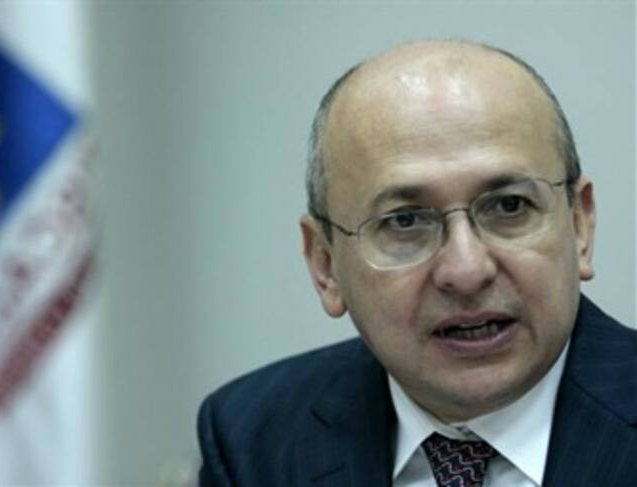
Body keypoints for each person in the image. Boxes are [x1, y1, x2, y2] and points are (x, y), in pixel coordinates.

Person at [198, 40, 637, 486]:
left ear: (579, 226)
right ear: (325, 265)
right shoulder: (254, 440)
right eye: (404, 221)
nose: (466, 271)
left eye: (509, 206)